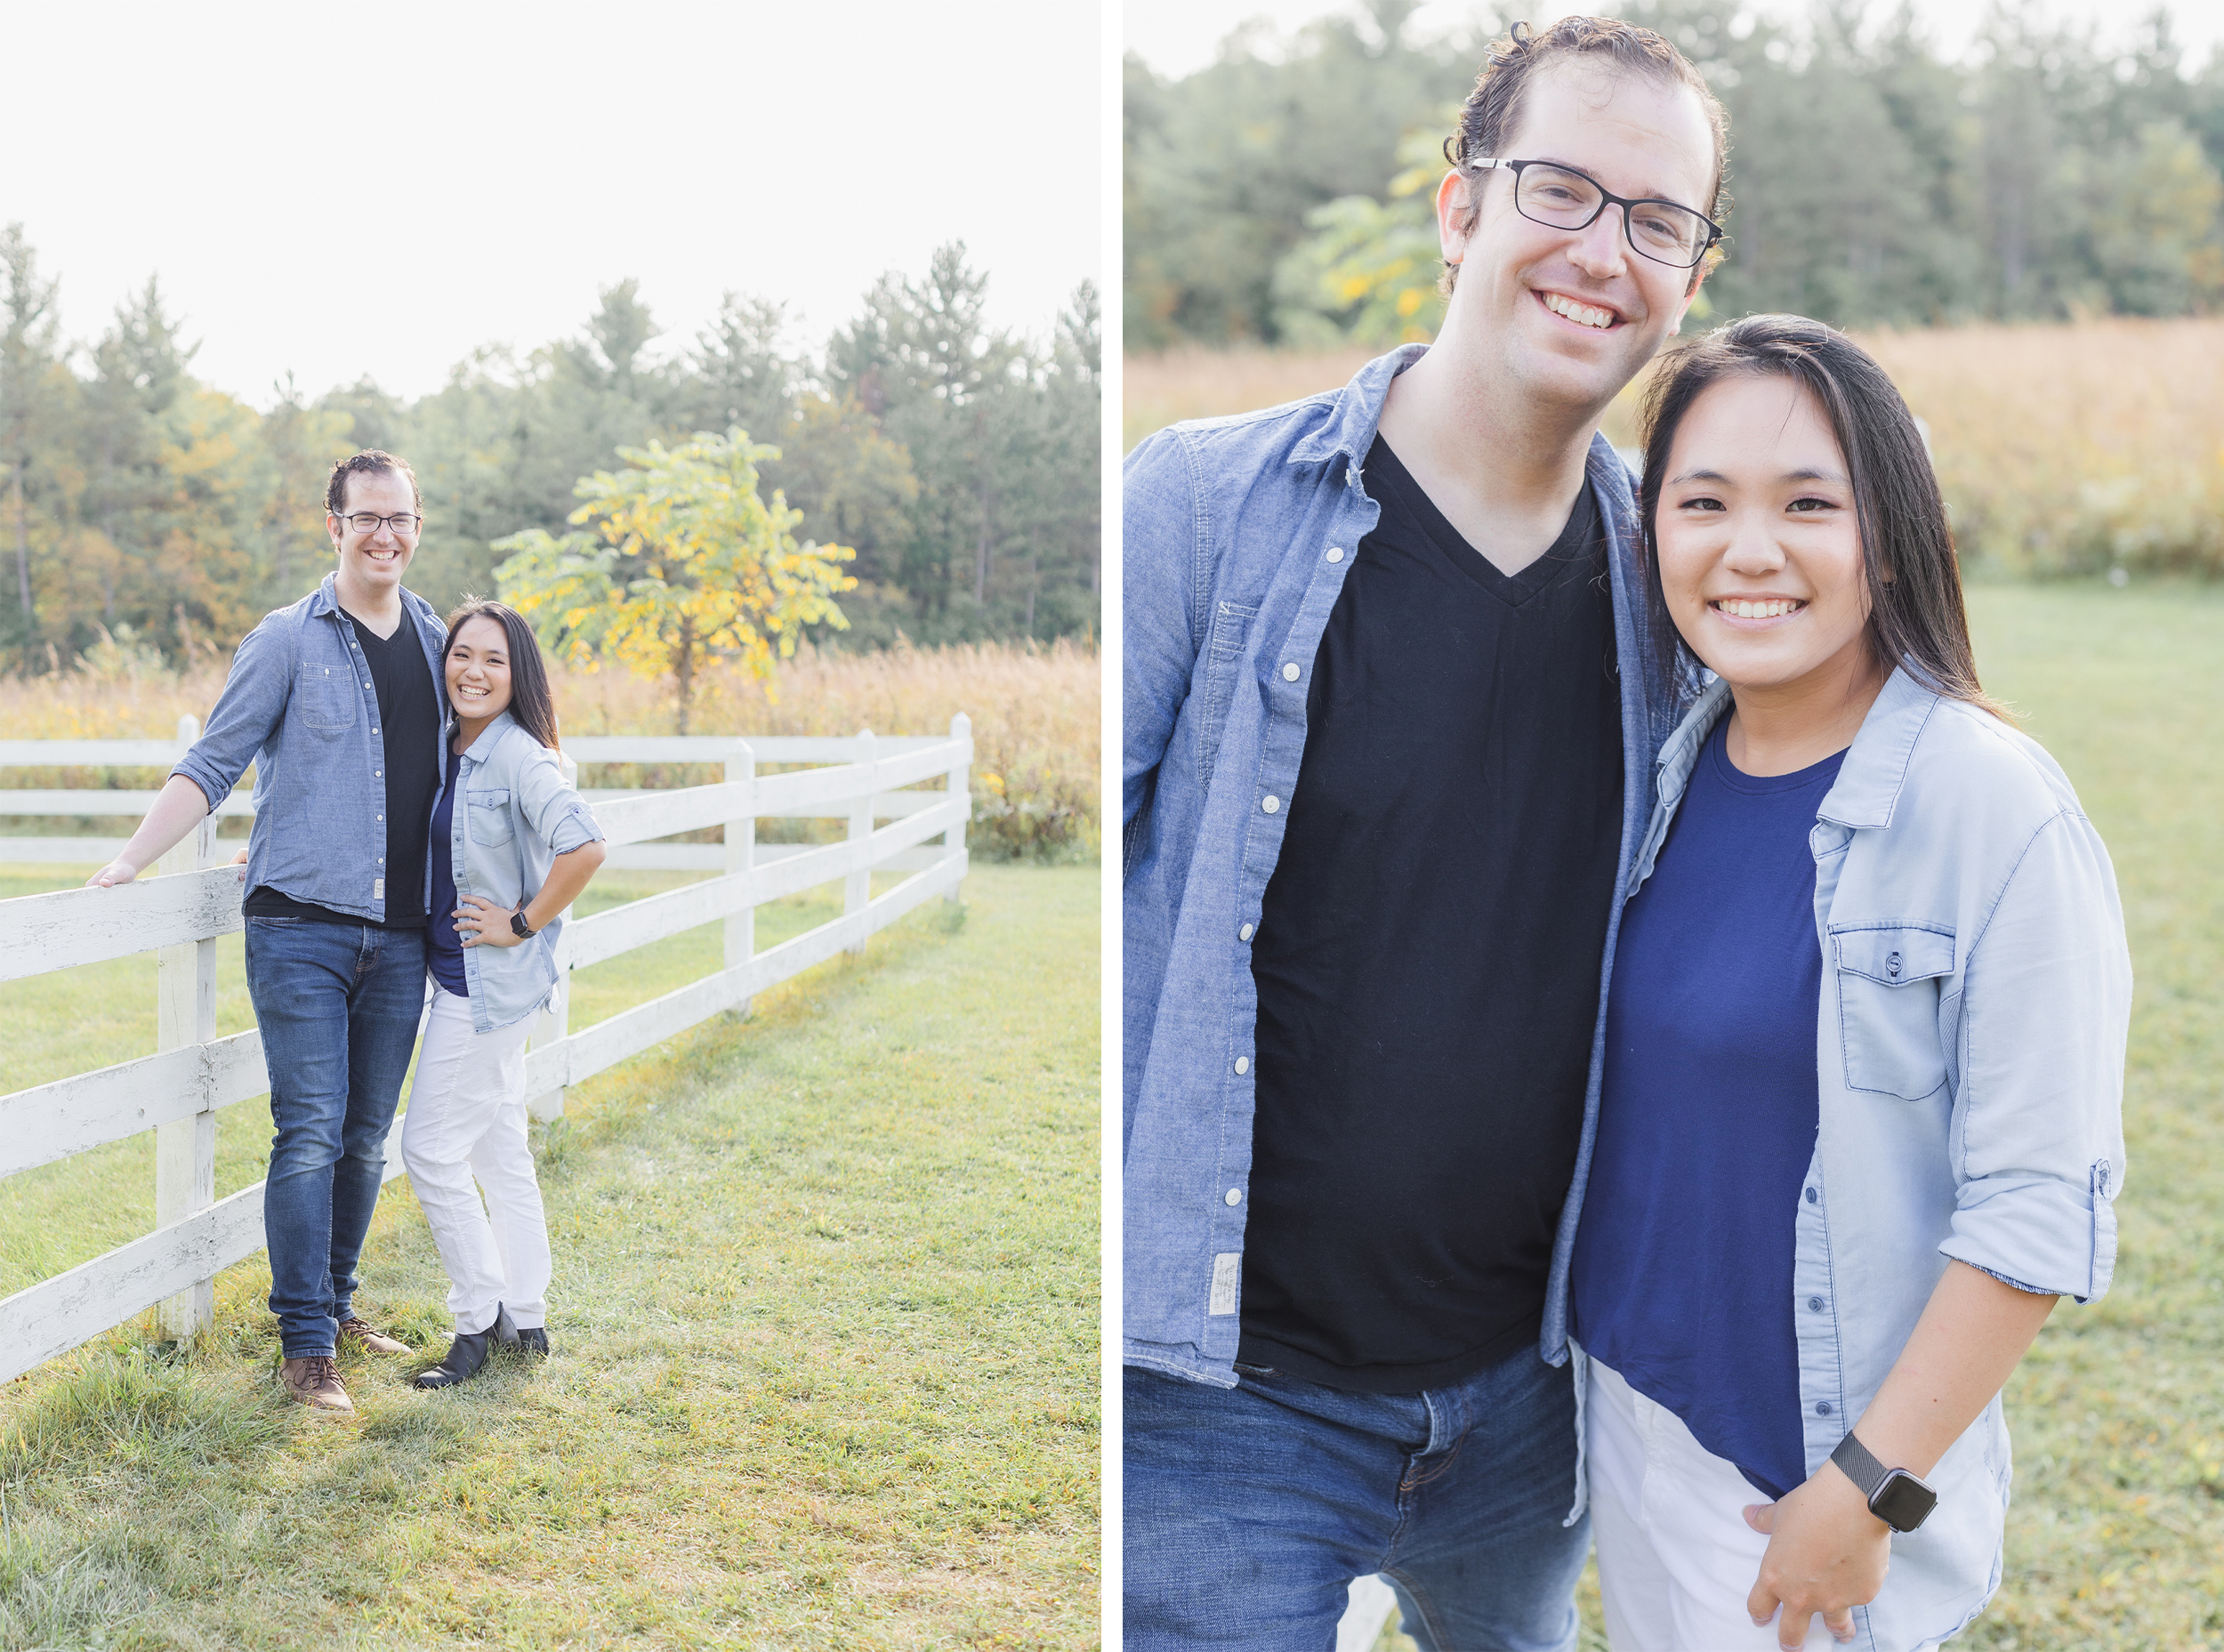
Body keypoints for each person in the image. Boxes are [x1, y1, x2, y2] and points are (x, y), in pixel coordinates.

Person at [1122, 16, 1728, 1646]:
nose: (1607, 251)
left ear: (1691, 271)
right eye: (1562, 190)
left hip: (1527, 1403)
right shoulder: (1199, 508)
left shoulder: (1682, 595)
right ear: (1459, 209)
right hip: (1218, 1406)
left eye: (1660, 219)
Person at [1567, 315, 2131, 1650]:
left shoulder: (1994, 811)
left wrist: (1870, 1486)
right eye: (1701, 503)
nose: (1748, 549)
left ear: (1888, 534)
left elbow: (2036, 1211)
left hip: (1805, 1480)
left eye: (1808, 503)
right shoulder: (1670, 767)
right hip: (1638, 1423)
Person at [89, 450, 447, 1415]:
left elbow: (466, 779)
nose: (385, 535)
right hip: (300, 931)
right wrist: (132, 859)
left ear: (419, 527)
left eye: (400, 519)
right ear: (332, 526)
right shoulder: (286, 639)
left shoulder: (435, 639)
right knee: (311, 1132)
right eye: (366, 518)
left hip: (404, 935)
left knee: (368, 1139)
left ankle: (334, 1306)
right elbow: (214, 761)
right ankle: (303, 1352)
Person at [401, 599, 605, 1390]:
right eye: (461, 655)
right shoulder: (454, 747)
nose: (473, 671)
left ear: (516, 675)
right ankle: (526, 1313)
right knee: (498, 1149)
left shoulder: (520, 755)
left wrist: (521, 921)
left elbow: (585, 847)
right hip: (473, 982)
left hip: (484, 988)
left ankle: (476, 1317)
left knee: (429, 1149)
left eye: (493, 659)